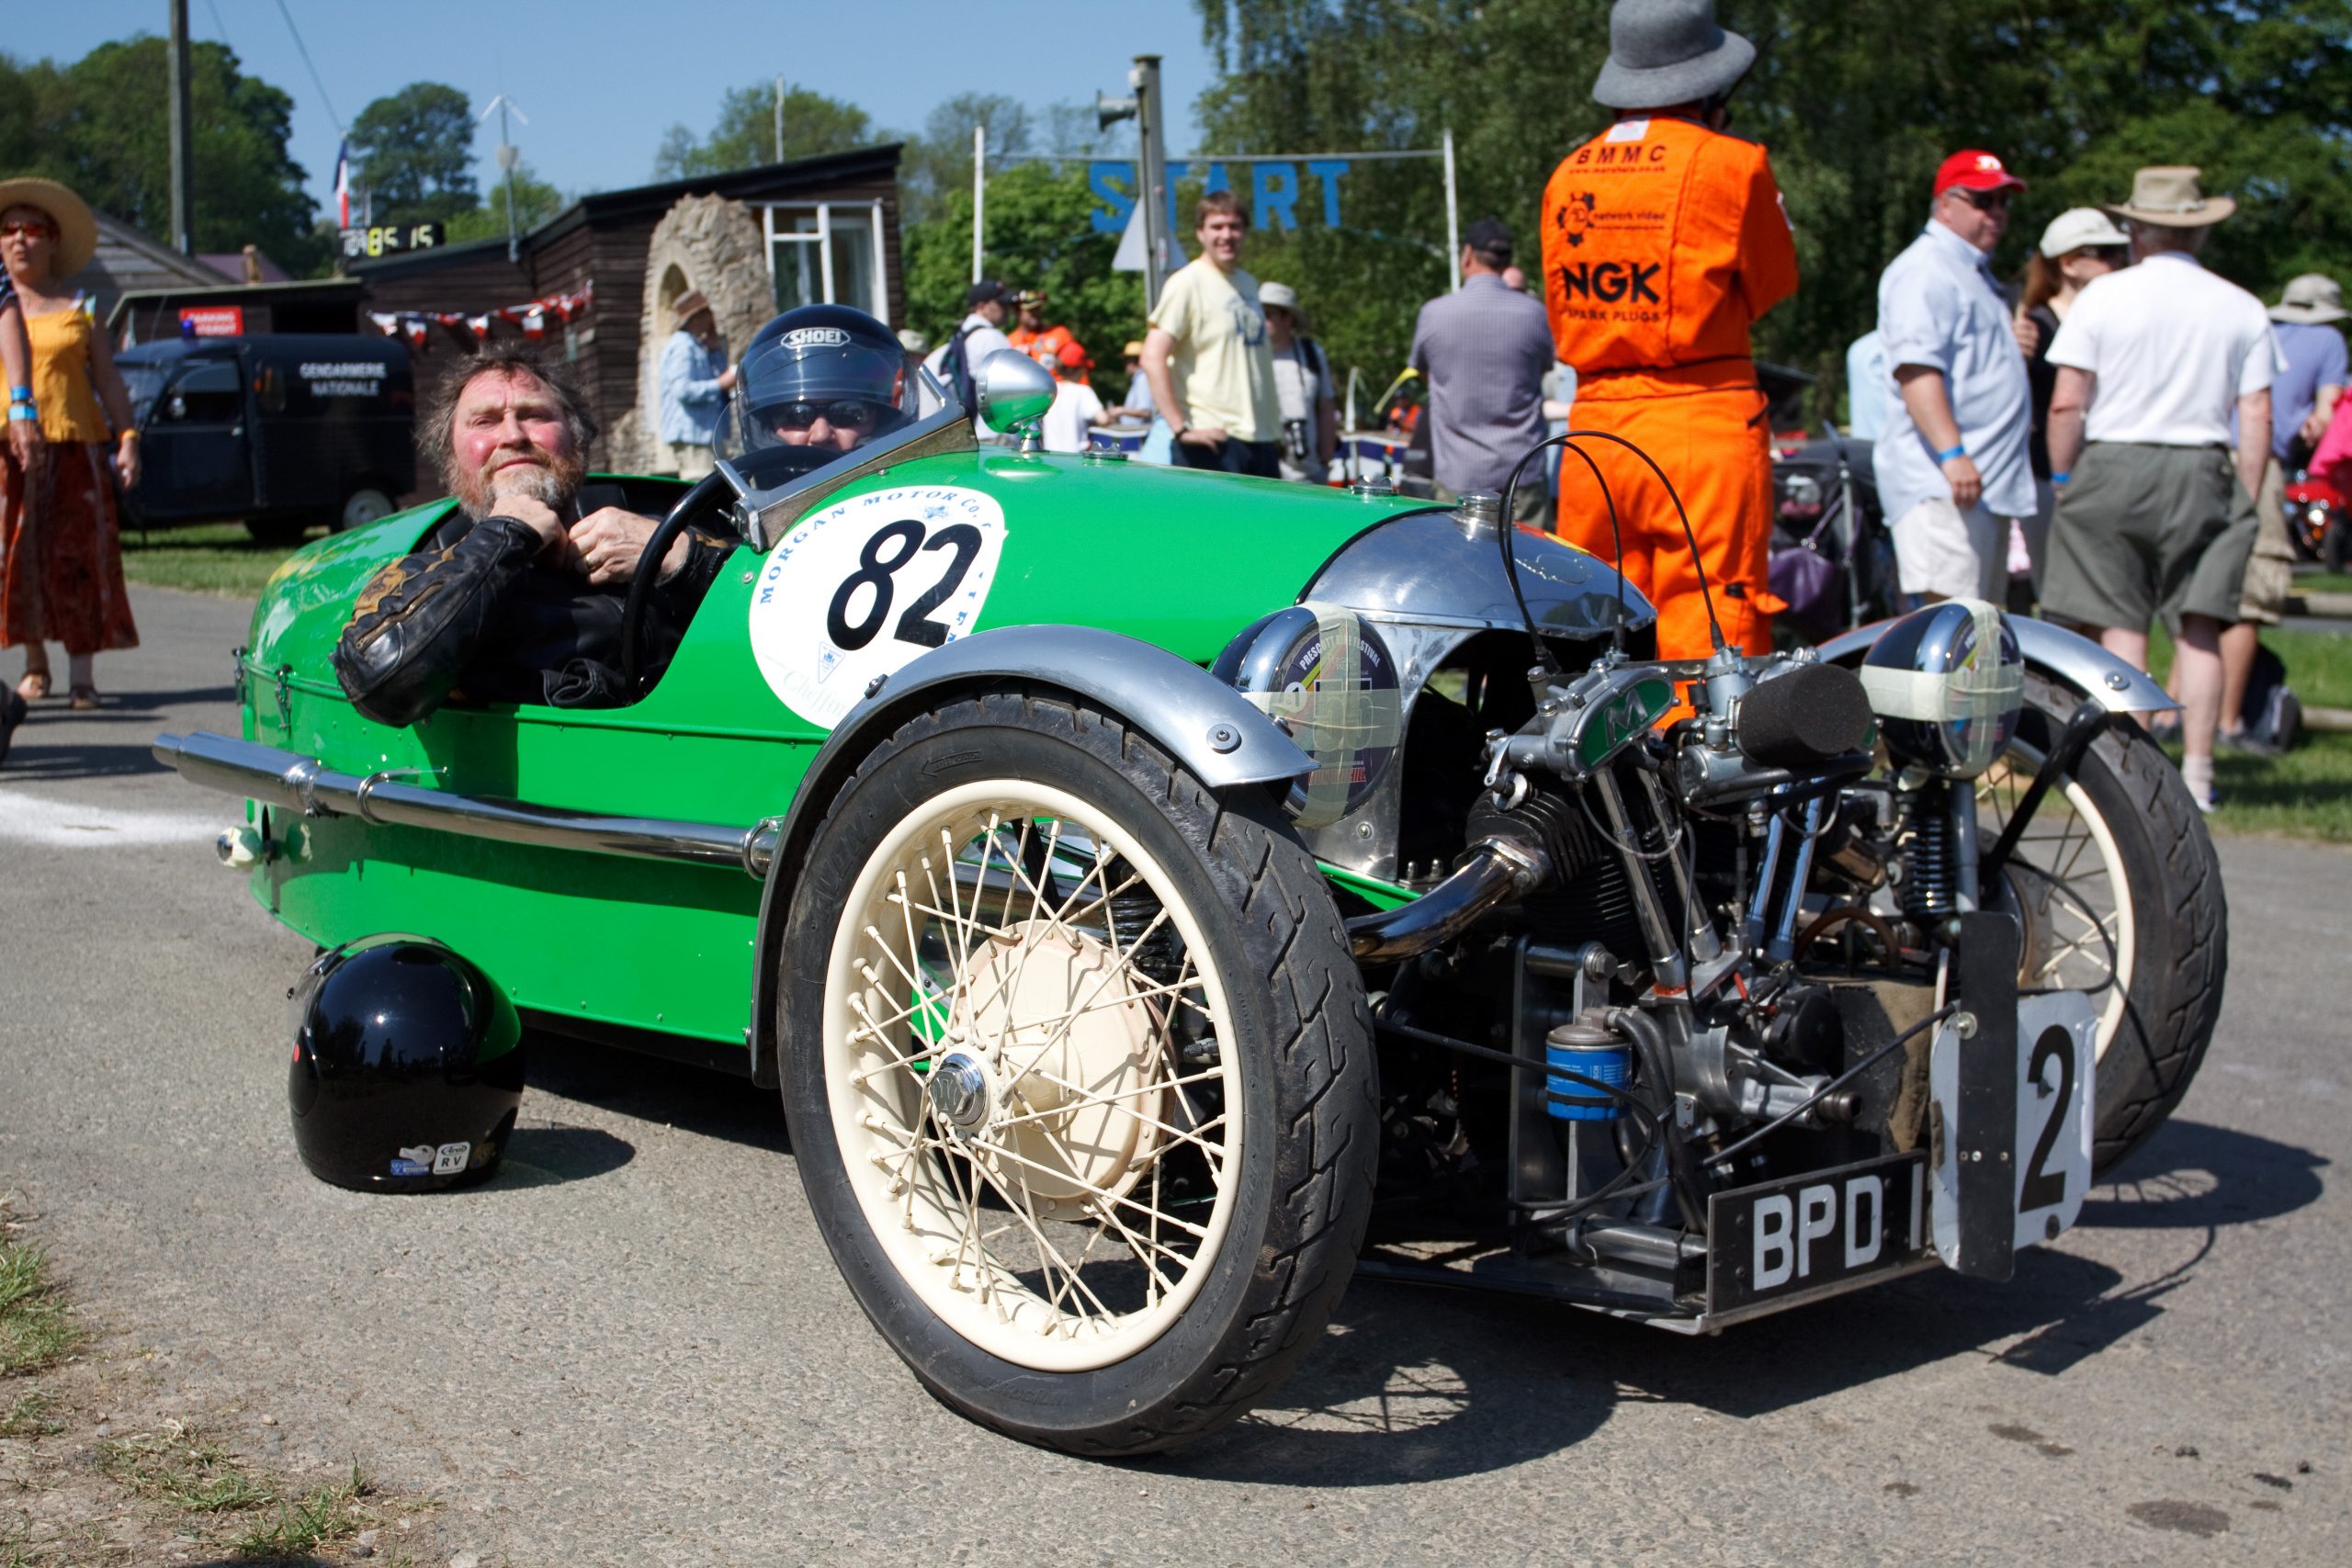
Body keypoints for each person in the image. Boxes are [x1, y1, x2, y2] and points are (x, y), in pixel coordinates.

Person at [1540, 0, 1800, 660]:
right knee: (1713, 612)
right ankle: (1698, 756)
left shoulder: (1567, 174)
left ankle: (1600, 761)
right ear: (1709, 87)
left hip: (1597, 429)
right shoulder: (1733, 165)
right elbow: (1770, 287)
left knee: (1594, 617)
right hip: (1702, 419)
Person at [2042, 167, 2278, 811]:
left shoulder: (2104, 296)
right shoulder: (2241, 304)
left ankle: (2138, 783)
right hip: (2203, 464)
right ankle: (2199, 773)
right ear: (2199, 231)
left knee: (2122, 623)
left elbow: (2067, 404)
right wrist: (2247, 496)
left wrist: (2064, 477)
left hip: (2114, 460)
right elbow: (2255, 411)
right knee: (2200, 626)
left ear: (2137, 228)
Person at [334, 347, 732, 726]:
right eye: (485, 421)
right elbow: (382, 681)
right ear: (452, 459)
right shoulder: (423, 574)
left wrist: (677, 556)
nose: (513, 436)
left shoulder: (670, 532)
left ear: (577, 439)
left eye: (535, 415)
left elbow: (781, 610)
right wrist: (503, 535)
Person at [1873, 151, 2038, 606]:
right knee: (1954, 635)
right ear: (1945, 204)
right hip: (1945, 482)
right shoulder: (1925, 269)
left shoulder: (1968, 271)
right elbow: (1916, 369)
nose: (1998, 214)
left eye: (2004, 202)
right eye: (1984, 201)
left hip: (1974, 485)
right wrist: (1952, 452)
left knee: (1978, 635)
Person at [0, 177, 140, 712]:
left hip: (75, 449)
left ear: (53, 241)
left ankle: (82, 676)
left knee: (79, 559)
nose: (19, 239)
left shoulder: (79, 307)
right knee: (16, 559)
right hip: (9, 453)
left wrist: (128, 437)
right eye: (8, 229)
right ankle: (35, 667)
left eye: (32, 229)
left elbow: (107, 381)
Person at [2216, 274, 2350, 749]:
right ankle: (2228, 722)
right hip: (2257, 459)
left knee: (2202, 591)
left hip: (2205, 457)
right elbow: (2328, 413)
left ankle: (2177, 713)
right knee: (2254, 591)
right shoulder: (2330, 340)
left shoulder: (2251, 326)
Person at [1410, 216, 1555, 521]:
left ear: (1467, 255)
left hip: (1459, 475)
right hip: (1522, 472)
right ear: (1507, 261)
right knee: (1529, 565)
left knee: (1462, 566)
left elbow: (1424, 373)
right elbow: (1543, 370)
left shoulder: (1434, 314)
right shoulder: (1534, 314)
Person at [2016, 209, 2129, 596]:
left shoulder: (2119, 317)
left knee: (2109, 587)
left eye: (2121, 253)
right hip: (2048, 474)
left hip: (2109, 468)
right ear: (2068, 263)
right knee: (2056, 586)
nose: (2118, 263)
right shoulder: (2032, 325)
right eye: (2105, 253)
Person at [1141, 189, 1283, 478]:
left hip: (1260, 438)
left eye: (1234, 226)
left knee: (1265, 524)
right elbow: (1151, 357)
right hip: (1212, 440)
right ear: (1200, 233)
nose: (1226, 235)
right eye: (1217, 226)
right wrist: (1180, 428)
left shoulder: (1248, 283)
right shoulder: (1187, 283)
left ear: (1244, 232)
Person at [656, 289, 738, 481]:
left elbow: (717, 370)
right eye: (706, 313)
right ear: (696, 317)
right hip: (693, 436)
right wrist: (720, 384)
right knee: (699, 483)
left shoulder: (697, 345)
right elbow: (683, 390)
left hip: (703, 434)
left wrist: (715, 349)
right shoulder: (683, 347)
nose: (710, 318)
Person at [1261, 281, 1338, 482]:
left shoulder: (1311, 353)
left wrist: (1326, 455)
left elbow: (1326, 406)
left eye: (1268, 314)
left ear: (1288, 319)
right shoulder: (1251, 355)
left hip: (1310, 472)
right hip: (1265, 471)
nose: (1261, 320)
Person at [924, 279, 1017, 422]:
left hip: (968, 428)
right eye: (1001, 304)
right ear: (981, 306)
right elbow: (1012, 387)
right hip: (995, 431)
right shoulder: (991, 337)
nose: (1007, 310)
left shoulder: (953, 342)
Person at [1008, 290, 1086, 383]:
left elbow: (1077, 367)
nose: (1035, 313)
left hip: (1058, 392)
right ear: (1018, 312)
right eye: (1030, 310)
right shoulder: (1009, 342)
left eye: (1037, 308)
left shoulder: (1059, 333)